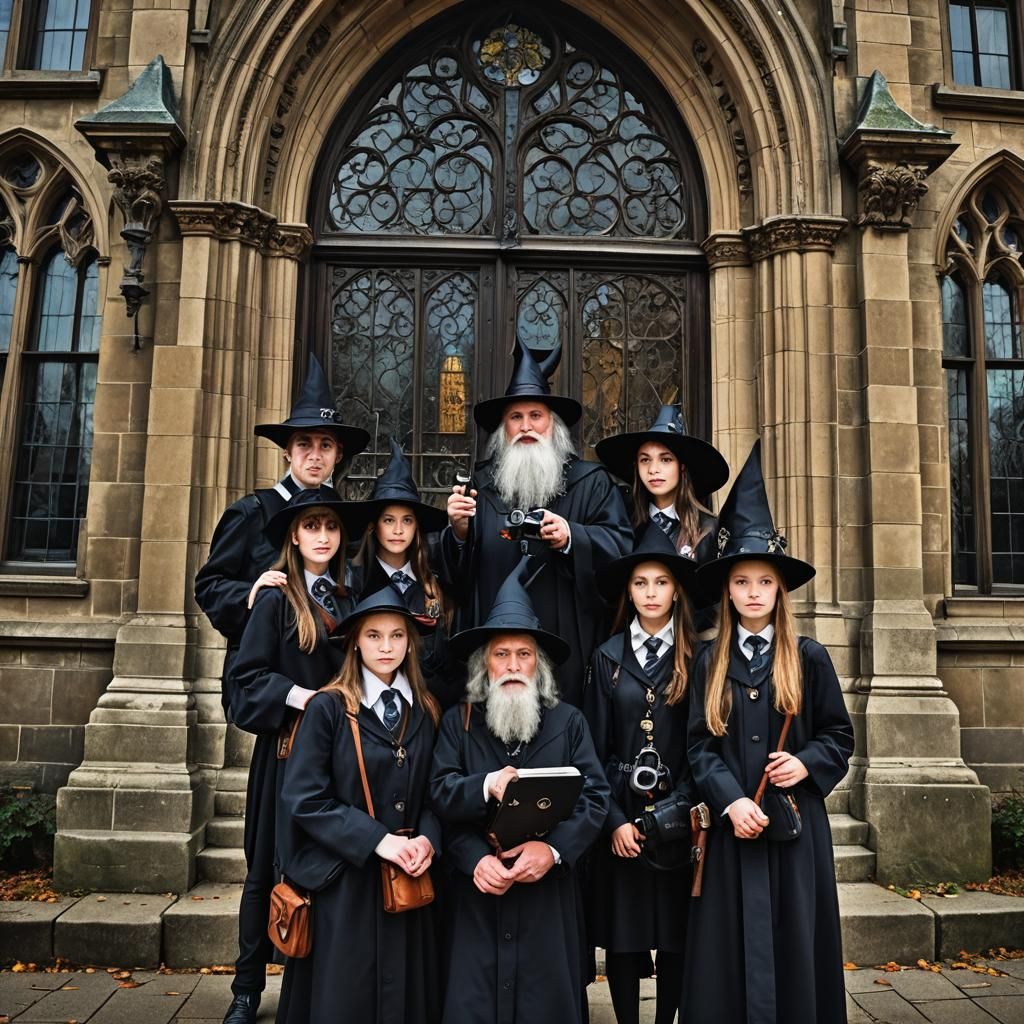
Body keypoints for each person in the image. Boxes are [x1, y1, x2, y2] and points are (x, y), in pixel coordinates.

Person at [682, 441, 854, 1024]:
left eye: (764, 581)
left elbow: (838, 736)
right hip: (736, 833)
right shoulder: (709, 663)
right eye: (741, 581)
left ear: (779, 589)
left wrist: (807, 763)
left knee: (793, 946)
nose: (753, 591)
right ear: (727, 590)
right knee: (732, 956)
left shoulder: (808, 659)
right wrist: (729, 801)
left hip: (794, 832)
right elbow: (699, 747)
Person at [431, 563, 610, 1024]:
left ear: (539, 665)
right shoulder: (458, 722)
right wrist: (475, 858)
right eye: (501, 654)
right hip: (476, 895)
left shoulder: (568, 721)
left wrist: (552, 852)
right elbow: (440, 795)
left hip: (548, 899)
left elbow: (594, 799)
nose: (513, 665)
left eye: (524, 654)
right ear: (483, 665)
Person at [275, 588, 442, 1024]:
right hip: (345, 885)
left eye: (396, 636)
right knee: (345, 998)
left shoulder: (425, 710)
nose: (386, 647)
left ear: (410, 642)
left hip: (409, 882)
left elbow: (434, 791)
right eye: (373, 636)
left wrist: (428, 838)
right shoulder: (329, 708)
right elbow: (304, 798)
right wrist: (377, 840)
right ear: (355, 642)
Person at [221, 488, 356, 1024]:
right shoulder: (276, 598)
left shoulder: (351, 598)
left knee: (328, 870)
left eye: (330, 527)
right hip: (284, 752)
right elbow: (245, 681)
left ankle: (320, 982)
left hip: (340, 760)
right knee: (265, 876)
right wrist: (304, 698)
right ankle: (247, 989)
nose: (322, 536)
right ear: (294, 537)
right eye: (311, 527)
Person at [441, 337, 632, 707]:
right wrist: (459, 532)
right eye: (515, 418)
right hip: (496, 656)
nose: (526, 426)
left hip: (571, 652)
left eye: (535, 416)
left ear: (553, 426)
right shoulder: (479, 484)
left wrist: (572, 537)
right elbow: (453, 579)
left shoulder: (591, 483)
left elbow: (622, 553)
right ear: (503, 429)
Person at [195, 353, 368, 717]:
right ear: (288, 451)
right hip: (272, 687)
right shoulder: (251, 512)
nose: (314, 455)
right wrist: (251, 593)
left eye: (325, 445)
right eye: (304, 444)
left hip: (333, 687)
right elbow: (209, 586)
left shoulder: (343, 525)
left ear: (338, 455)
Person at [583, 523, 700, 1024]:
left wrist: (678, 811)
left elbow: (703, 746)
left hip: (676, 811)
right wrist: (613, 822)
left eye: (661, 582)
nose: (651, 593)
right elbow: (591, 750)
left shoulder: (697, 656)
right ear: (628, 592)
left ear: (676, 590)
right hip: (623, 813)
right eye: (640, 583)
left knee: (675, 931)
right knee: (626, 932)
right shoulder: (607, 658)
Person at [348, 439, 461, 710]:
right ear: (374, 527)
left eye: (407, 520)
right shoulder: (353, 581)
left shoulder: (434, 585)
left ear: (416, 528)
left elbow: (448, 662)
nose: (398, 530)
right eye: (389, 520)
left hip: (427, 713)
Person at [594, 403, 728, 565]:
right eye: (645, 460)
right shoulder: (622, 525)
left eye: (665, 459)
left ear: (682, 467)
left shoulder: (708, 529)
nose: (653, 469)